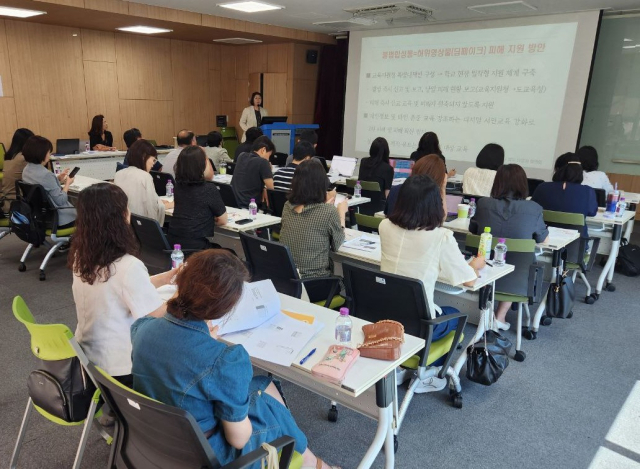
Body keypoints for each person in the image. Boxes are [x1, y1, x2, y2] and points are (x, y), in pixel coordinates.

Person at [130, 250, 339, 469]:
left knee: (263, 386)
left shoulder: (142, 329)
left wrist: (203, 337)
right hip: (207, 455)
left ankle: (312, 462)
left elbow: (179, 356)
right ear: (226, 306)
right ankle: (314, 464)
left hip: (160, 439)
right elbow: (238, 439)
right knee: (270, 409)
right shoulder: (226, 359)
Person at [379, 175, 485, 391]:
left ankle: (401, 368)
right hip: (419, 325)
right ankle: (426, 375)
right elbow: (469, 279)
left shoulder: (384, 226)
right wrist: (475, 263)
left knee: (434, 311)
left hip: (384, 316)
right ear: (434, 206)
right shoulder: (440, 237)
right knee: (455, 315)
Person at [69, 183, 173, 388]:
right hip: (121, 367)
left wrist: (163, 278)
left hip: (87, 356)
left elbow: (115, 289)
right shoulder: (128, 266)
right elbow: (158, 314)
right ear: (121, 217)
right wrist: (187, 294)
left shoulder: (82, 256)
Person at [470, 164, 549, 330]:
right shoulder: (534, 208)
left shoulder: (484, 204)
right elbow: (544, 240)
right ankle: (500, 316)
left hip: (482, 275)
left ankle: (487, 313)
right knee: (519, 259)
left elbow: (473, 230)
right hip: (518, 281)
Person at [280, 159, 347, 282]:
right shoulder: (328, 211)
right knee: (345, 283)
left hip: (288, 279)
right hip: (315, 282)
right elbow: (338, 244)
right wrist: (341, 213)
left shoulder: (287, 206)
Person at [168, 146, 228, 250]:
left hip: (174, 241)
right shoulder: (209, 189)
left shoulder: (178, 186)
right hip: (196, 246)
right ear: (202, 165)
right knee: (229, 254)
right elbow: (222, 220)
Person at [532, 153, 598, 238]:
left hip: (543, 241)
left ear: (557, 169)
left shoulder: (542, 187)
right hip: (576, 246)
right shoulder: (588, 192)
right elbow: (592, 212)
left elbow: (532, 209)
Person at [21, 136, 76, 228]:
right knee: (88, 214)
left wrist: (57, 179)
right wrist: (67, 184)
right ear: (41, 153)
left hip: (40, 217)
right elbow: (61, 201)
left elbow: (41, 186)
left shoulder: (26, 170)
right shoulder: (46, 175)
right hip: (60, 219)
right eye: (48, 152)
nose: (50, 155)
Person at [114, 139, 172, 225]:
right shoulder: (145, 176)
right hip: (140, 228)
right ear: (144, 157)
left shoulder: (119, 174)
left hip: (123, 225)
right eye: (153, 160)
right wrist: (170, 205)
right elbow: (152, 211)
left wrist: (157, 201)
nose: (153, 164)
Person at [231, 135, 275, 208]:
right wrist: (269, 168)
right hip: (251, 206)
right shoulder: (263, 162)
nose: (268, 159)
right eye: (269, 155)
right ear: (263, 150)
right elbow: (271, 189)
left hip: (234, 202)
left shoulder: (241, 155)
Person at [1, 128, 34, 213]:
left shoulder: (8, 157)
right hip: (15, 204)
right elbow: (37, 176)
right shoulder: (23, 158)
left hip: (4, 201)